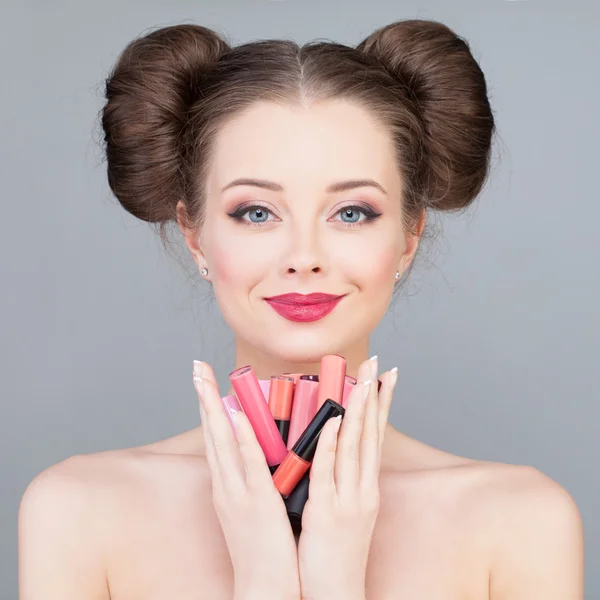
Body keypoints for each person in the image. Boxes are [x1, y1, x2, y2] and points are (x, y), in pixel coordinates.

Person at [18, 18, 584, 600]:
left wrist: (335, 580)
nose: (304, 258)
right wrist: (263, 575)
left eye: (352, 212)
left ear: (409, 236)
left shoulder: (520, 522)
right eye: (256, 212)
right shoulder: (78, 512)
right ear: (194, 233)